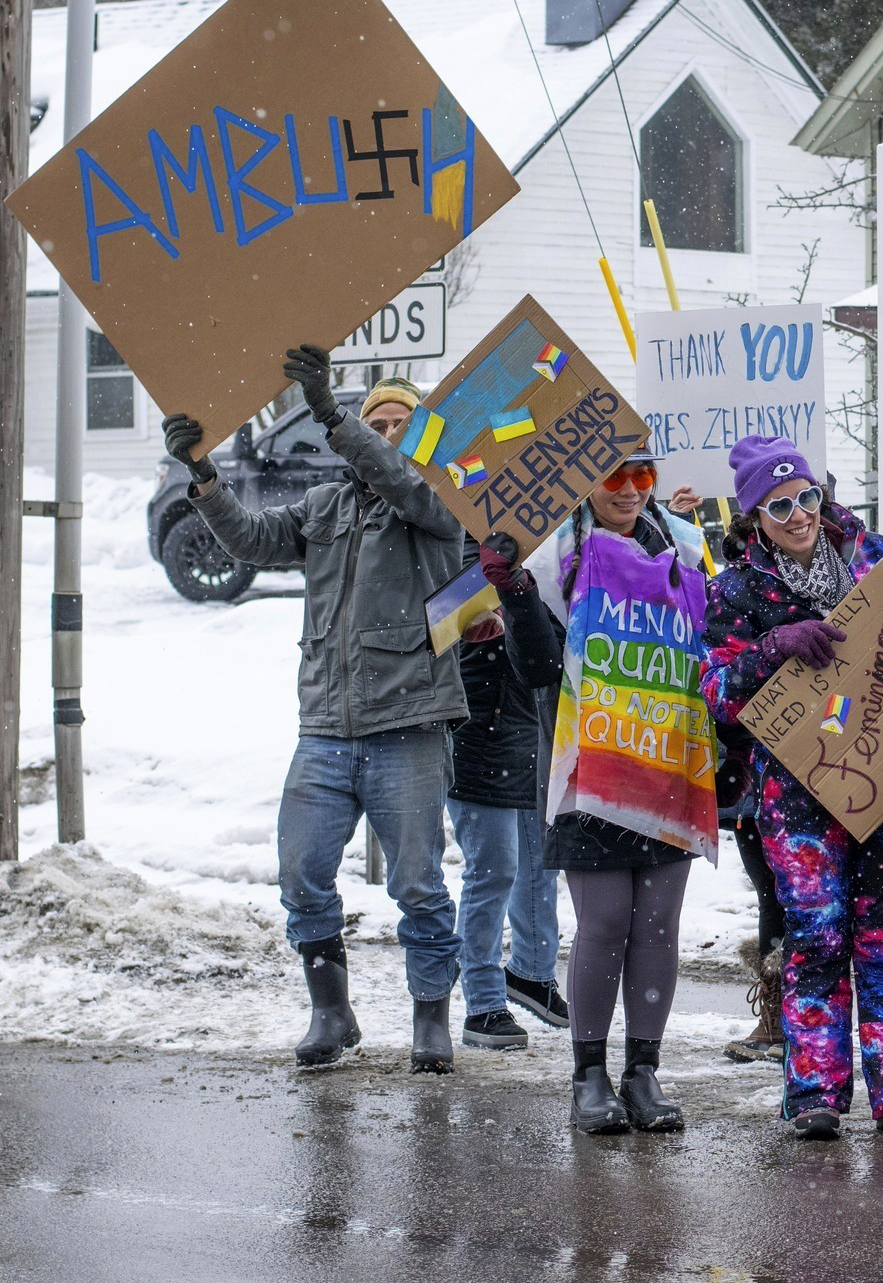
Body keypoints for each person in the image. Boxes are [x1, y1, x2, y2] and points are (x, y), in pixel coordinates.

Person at [161, 349, 464, 1073]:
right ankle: (331, 1011)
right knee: (300, 874)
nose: (384, 436)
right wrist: (202, 478)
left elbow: (402, 482)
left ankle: (430, 1019)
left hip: (408, 729)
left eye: (399, 425)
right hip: (326, 730)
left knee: (418, 885)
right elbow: (255, 541)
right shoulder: (326, 506)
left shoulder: (440, 503)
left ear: (422, 439)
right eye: (374, 423)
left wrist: (332, 414)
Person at [704, 435, 883, 1142]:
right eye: (779, 504)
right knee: (816, 939)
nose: (798, 515)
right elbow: (714, 693)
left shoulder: (874, 559)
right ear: (753, 514)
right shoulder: (737, 589)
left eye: (807, 498)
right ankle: (814, 1092)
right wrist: (770, 648)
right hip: (797, 797)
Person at [504, 453, 717, 1134]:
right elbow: (536, 666)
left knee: (658, 927)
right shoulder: (552, 555)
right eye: (614, 479)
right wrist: (511, 593)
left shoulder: (685, 545)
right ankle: (588, 1077)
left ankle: (643, 1073)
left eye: (641, 478)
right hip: (590, 767)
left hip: (671, 759)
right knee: (605, 924)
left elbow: (711, 641)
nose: (629, 492)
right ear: (583, 483)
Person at [674, 483, 787, 1068]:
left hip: (819, 760)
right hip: (748, 773)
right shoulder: (732, 591)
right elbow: (719, 679)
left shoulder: (831, 575)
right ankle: (778, 1015)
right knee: (772, 891)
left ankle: (797, 1016)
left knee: (804, 896)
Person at [443, 537, 570, 1051]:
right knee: (493, 872)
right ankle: (483, 1002)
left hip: (532, 731)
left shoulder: (551, 546)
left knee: (542, 862)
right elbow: (432, 625)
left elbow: (550, 648)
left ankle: (532, 974)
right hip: (478, 733)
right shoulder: (454, 550)